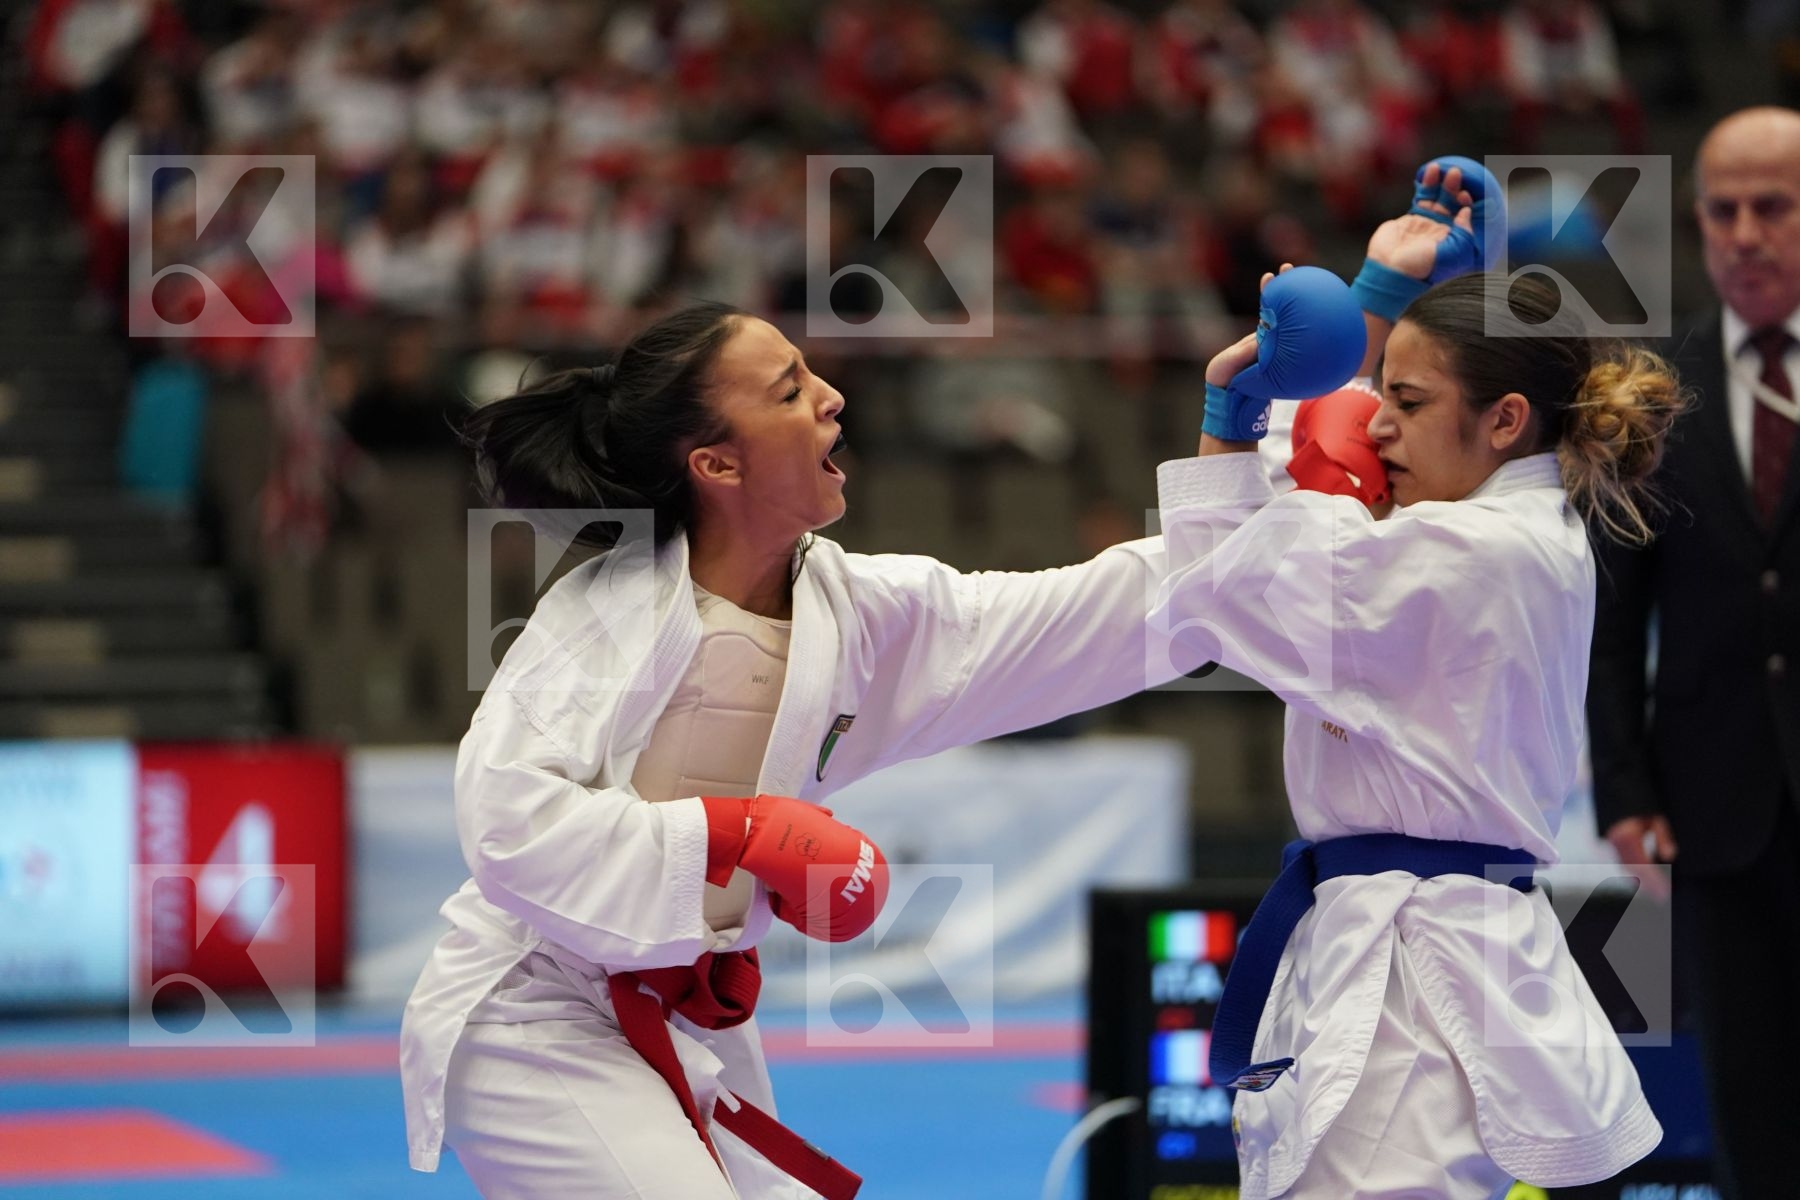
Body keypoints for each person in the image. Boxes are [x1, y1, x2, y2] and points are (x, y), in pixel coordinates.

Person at [398, 302, 1223, 1198]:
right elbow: (509, 825)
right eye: (789, 391)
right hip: (532, 1013)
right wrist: (740, 835)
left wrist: (1232, 453)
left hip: (687, 1016)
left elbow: (1095, 618)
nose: (831, 397)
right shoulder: (602, 613)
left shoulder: (861, 614)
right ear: (717, 464)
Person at [1149, 256, 1684, 1193]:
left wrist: (1235, 412)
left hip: (1412, 974)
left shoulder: (1475, 550)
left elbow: (1222, 596)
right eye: (1381, 393)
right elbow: (1295, 526)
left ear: (1505, 420)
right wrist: (1382, 295)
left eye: (1408, 400)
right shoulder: (1501, 528)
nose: (1377, 424)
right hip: (1411, 947)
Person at [1586, 106, 1800, 1200]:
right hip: (1714, 805)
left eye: (1774, 207)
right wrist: (1622, 787)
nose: (1745, 233)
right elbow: (1612, 616)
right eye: (1723, 211)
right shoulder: (1652, 398)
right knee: (1751, 1095)